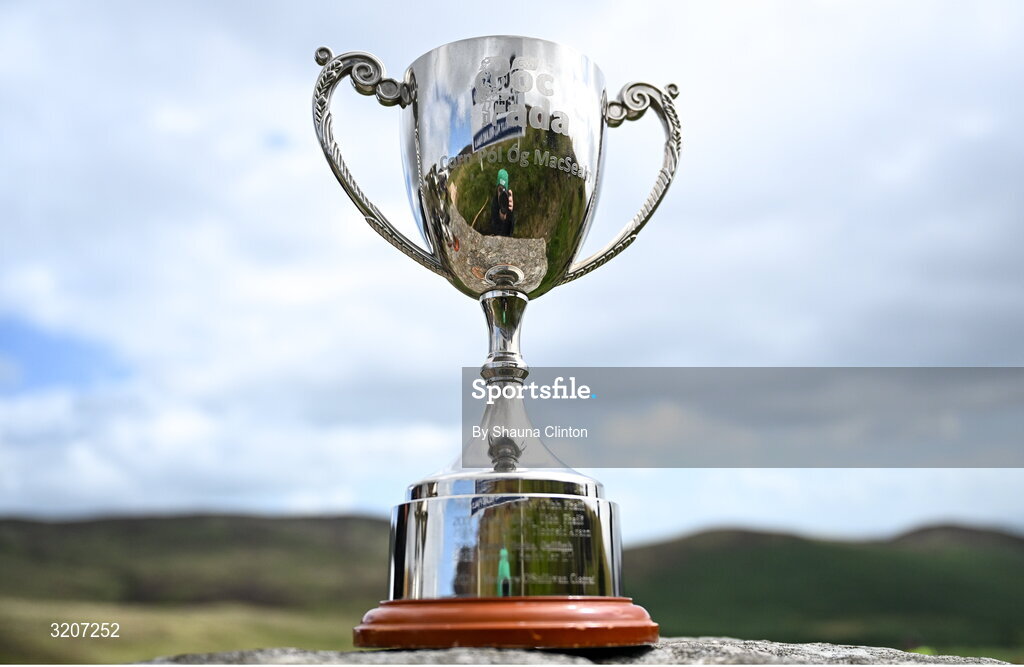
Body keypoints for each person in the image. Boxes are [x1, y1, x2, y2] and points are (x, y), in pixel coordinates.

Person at [487, 168, 515, 236]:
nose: (501, 194)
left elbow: (511, 230)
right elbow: (494, 228)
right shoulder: (495, 202)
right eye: (500, 189)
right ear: (497, 188)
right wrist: (501, 217)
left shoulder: (509, 201)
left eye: (503, 190)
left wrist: (509, 214)